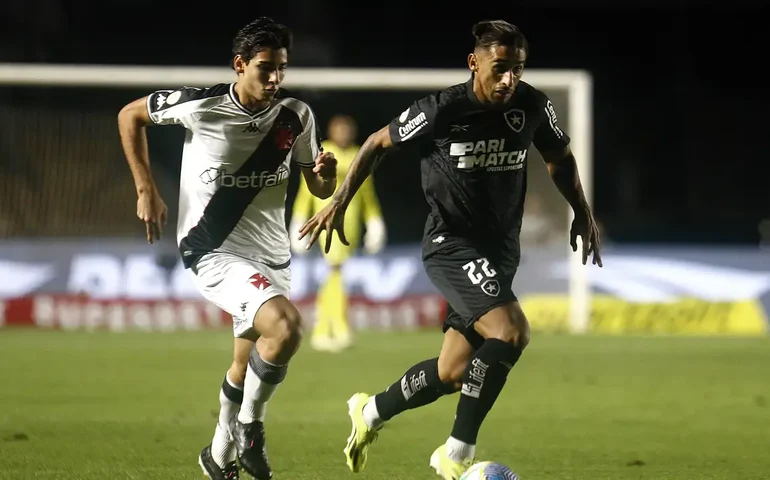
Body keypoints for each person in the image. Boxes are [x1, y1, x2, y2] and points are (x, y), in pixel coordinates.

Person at [298, 19, 602, 480]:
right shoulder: (442, 109)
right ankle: (456, 456)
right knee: (511, 330)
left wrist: (580, 210)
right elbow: (378, 143)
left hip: (500, 251)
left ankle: (370, 412)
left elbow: (559, 159)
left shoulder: (533, 105)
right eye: (500, 68)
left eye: (517, 69)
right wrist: (340, 200)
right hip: (450, 245)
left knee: (454, 371)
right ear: (473, 62)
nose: (509, 80)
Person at [117, 17, 337, 480]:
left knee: (245, 363)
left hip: (273, 254)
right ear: (240, 65)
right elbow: (129, 115)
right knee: (287, 328)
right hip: (212, 248)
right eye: (265, 68)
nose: (275, 78)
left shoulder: (296, 115)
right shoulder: (202, 105)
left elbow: (316, 186)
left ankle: (217, 457)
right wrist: (145, 188)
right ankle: (251, 431)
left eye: (281, 68)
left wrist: (327, 174)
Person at [290, 114, 387, 352]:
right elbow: (306, 190)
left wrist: (375, 222)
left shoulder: (359, 154)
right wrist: (299, 219)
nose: (344, 133)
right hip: (326, 221)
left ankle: (326, 328)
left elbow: (367, 194)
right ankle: (333, 330)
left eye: (348, 129)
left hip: (350, 225)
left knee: (335, 275)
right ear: (331, 131)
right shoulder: (323, 153)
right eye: (340, 129)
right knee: (334, 273)